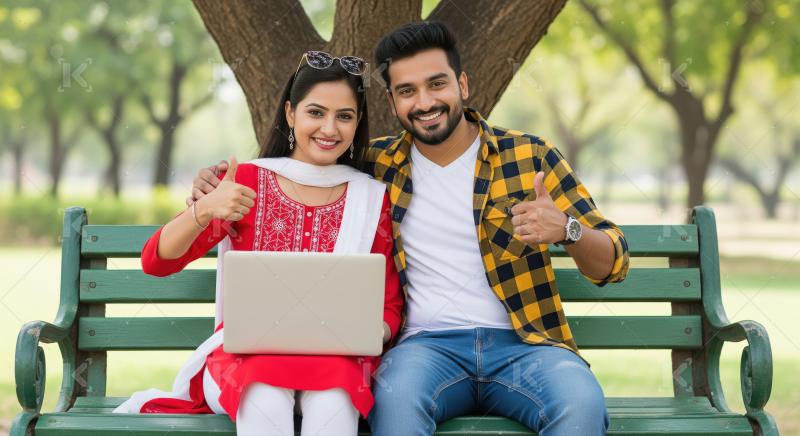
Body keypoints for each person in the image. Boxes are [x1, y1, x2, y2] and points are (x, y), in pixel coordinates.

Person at [191, 22, 630, 436]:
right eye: (406, 91)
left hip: (527, 345)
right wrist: (207, 190)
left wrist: (568, 229)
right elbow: (299, 168)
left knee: (581, 407)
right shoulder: (372, 168)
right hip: (426, 350)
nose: (424, 102)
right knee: (394, 404)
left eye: (436, 84)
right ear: (392, 103)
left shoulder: (529, 156)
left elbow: (613, 262)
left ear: (462, 84)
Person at [113, 51, 404, 436]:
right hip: (245, 359)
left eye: (344, 116)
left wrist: (365, 332)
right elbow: (156, 262)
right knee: (264, 393)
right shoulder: (246, 182)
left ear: (357, 123)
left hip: (336, 360)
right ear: (290, 114)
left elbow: (388, 305)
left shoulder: (369, 198)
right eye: (315, 112)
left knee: (335, 401)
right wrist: (205, 209)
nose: (329, 128)